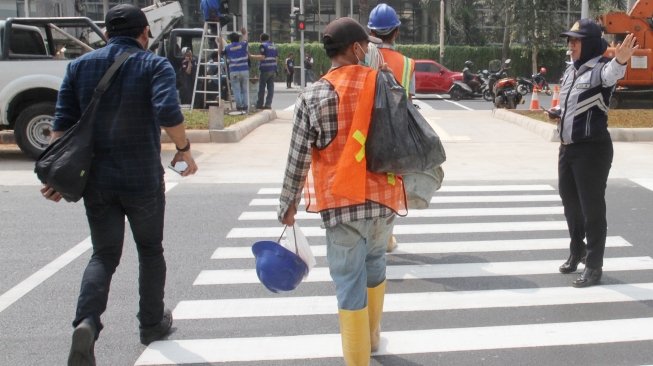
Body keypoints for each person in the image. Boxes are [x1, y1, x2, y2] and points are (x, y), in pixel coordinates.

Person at [39, 4, 198, 365]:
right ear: (145, 33)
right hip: (141, 177)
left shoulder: (78, 67)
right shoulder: (154, 64)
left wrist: (56, 175)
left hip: (96, 179)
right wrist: (184, 150)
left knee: (104, 254)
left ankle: (87, 322)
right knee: (150, 250)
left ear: (107, 35)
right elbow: (169, 112)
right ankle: (151, 323)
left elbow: (61, 124)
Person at [278, 17, 405, 365]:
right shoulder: (383, 84)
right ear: (356, 48)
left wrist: (287, 204)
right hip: (383, 200)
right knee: (376, 264)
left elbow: (297, 158)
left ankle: (358, 359)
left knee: (349, 280)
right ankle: (373, 338)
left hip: (341, 204)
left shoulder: (313, 95)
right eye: (366, 45)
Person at [550, 19, 637, 287]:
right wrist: (559, 114)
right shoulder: (571, 71)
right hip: (568, 148)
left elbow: (613, 74)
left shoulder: (600, 69)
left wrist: (620, 61)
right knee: (570, 205)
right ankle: (577, 251)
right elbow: (570, 104)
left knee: (592, 209)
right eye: (570, 40)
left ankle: (594, 265)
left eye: (576, 41)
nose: (571, 45)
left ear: (588, 44)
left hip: (592, 150)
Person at [368, 2, 415, 253]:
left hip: (366, 131)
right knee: (392, 184)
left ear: (370, 32)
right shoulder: (408, 63)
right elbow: (410, 100)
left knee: (367, 182)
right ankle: (386, 238)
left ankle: (368, 235)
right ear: (396, 32)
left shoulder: (363, 56)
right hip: (396, 134)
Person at [224, 29, 251, 113]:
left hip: (234, 71)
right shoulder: (242, 45)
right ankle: (245, 105)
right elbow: (246, 39)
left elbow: (222, 52)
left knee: (236, 89)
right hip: (244, 70)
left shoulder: (228, 47)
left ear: (230, 39)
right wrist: (244, 33)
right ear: (238, 39)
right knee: (244, 89)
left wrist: (219, 40)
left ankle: (239, 106)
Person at [254, 33, 278, 110]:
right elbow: (276, 58)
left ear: (261, 39)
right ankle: (268, 104)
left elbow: (262, 57)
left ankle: (259, 104)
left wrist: (251, 56)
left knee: (262, 87)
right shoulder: (274, 46)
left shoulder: (263, 45)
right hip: (272, 69)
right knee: (271, 88)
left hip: (265, 69)